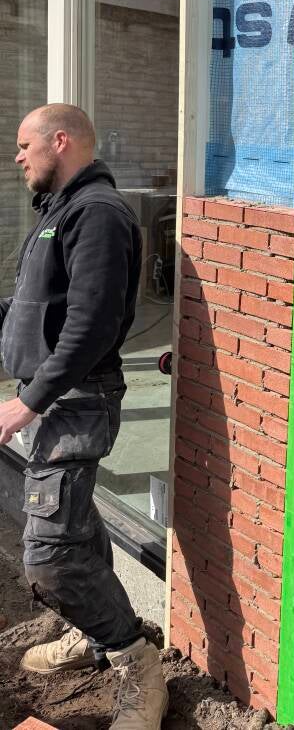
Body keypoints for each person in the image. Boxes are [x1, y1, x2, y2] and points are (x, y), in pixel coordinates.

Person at [0, 104, 168, 729]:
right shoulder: (59, 213)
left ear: (60, 141)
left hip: (77, 401)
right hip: (57, 399)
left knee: (50, 557)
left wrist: (29, 401)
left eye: (26, 145)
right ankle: (97, 635)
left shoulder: (97, 213)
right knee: (75, 526)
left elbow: (93, 324)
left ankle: (137, 665)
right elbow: (35, 306)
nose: (18, 156)